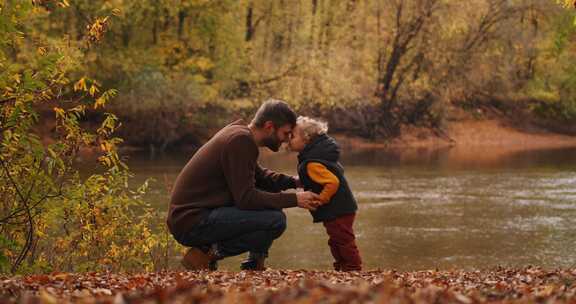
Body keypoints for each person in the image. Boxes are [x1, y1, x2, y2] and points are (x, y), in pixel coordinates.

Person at [167, 99, 321, 271]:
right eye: (285, 133)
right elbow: (246, 199)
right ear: (269, 127)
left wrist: (294, 181)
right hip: (191, 221)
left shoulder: (240, 134)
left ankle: (254, 263)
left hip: (197, 216)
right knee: (275, 219)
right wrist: (295, 199)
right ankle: (205, 253)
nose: (286, 140)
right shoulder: (240, 141)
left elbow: (260, 177)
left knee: (271, 211)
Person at [288, 116, 362, 271]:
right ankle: (342, 266)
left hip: (338, 210)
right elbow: (332, 174)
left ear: (306, 139)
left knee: (344, 240)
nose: (288, 139)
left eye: (292, 136)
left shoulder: (312, 162)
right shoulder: (319, 156)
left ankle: (353, 268)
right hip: (341, 208)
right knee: (336, 239)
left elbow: (332, 182)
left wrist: (322, 198)